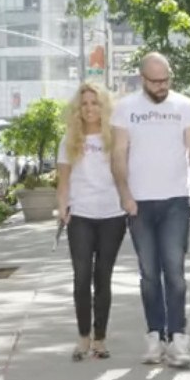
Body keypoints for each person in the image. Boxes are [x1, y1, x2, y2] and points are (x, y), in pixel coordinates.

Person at [110, 52, 190, 369]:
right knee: (148, 274)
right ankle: (155, 336)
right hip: (139, 202)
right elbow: (118, 154)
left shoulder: (184, 105)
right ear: (142, 78)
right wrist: (124, 194)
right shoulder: (126, 108)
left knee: (175, 273)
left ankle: (179, 338)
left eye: (166, 80)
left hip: (175, 199)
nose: (161, 86)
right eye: (155, 81)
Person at [56, 81, 128, 362]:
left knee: (103, 278)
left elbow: (126, 175)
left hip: (112, 215)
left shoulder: (115, 138)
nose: (89, 109)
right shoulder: (70, 140)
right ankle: (83, 337)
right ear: (78, 108)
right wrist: (62, 208)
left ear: (104, 106)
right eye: (84, 104)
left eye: (95, 103)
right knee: (81, 277)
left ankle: (100, 339)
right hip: (81, 215)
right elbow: (62, 182)